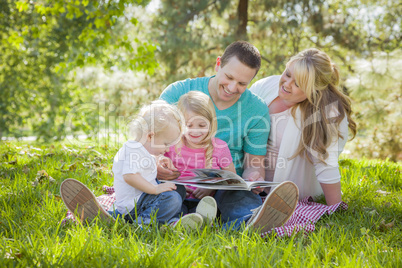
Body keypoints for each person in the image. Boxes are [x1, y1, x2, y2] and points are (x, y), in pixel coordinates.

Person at [159, 41, 298, 231]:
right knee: (162, 193)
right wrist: (157, 163)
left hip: (223, 187)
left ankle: (250, 222)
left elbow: (254, 163)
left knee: (241, 198)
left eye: (242, 83)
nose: (232, 88)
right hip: (176, 181)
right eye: (229, 77)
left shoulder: (256, 110)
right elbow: (149, 139)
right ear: (218, 64)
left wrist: (253, 177)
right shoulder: (178, 92)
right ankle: (177, 221)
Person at [60, 100, 216, 229]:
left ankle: (173, 222)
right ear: (150, 136)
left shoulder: (143, 149)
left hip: (143, 199)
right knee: (171, 198)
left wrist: (159, 161)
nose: (168, 149)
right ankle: (142, 225)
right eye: (166, 144)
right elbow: (130, 176)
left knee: (178, 189)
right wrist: (155, 189)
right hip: (132, 207)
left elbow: (145, 167)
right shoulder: (132, 149)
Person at [250, 48, 357, 205]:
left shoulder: (324, 113)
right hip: (249, 181)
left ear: (314, 90)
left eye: (298, 84)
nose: (286, 84)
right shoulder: (266, 86)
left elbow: (326, 164)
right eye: (287, 74)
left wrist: (336, 207)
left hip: (286, 192)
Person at [164, 91, 236, 213]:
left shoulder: (219, 147)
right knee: (173, 200)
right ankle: (179, 219)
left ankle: (199, 218)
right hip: (176, 198)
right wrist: (178, 186)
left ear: (211, 123)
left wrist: (211, 187)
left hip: (207, 202)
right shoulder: (172, 145)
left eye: (202, 125)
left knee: (230, 197)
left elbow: (233, 179)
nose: (195, 131)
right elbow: (159, 171)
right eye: (189, 125)